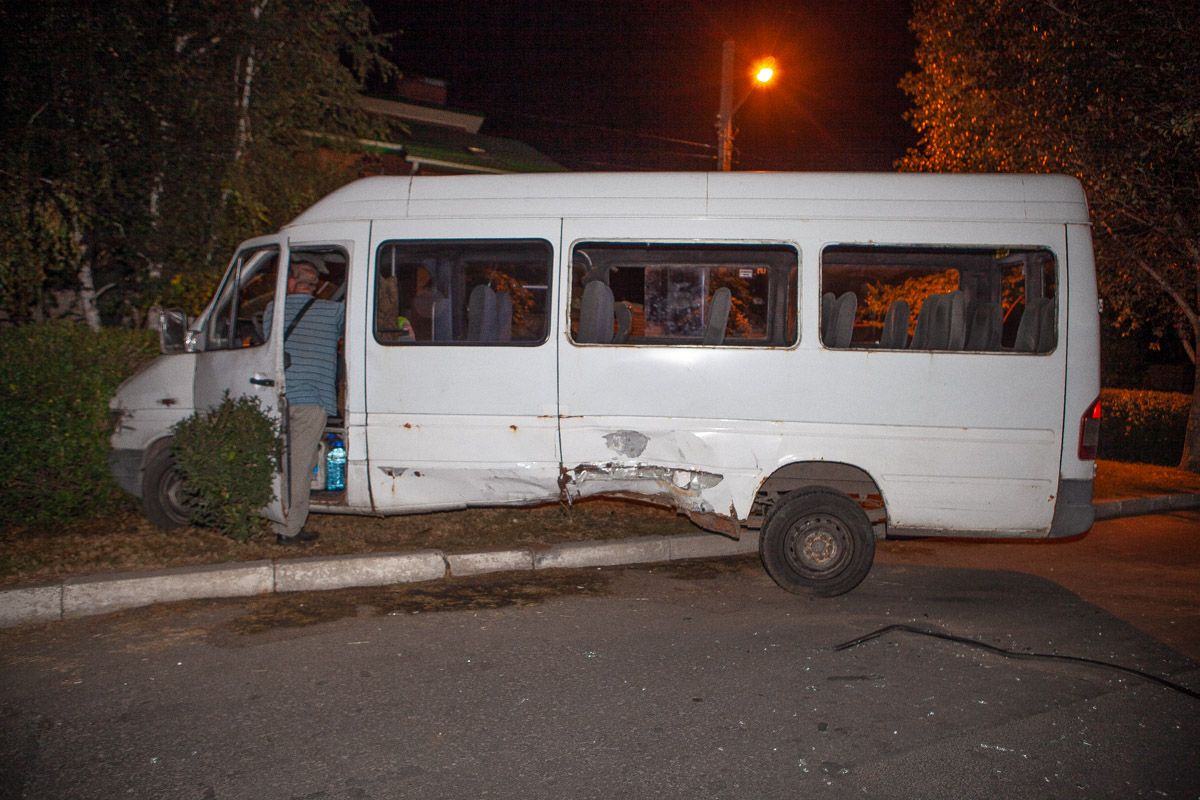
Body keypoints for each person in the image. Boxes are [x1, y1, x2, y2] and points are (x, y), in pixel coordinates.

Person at [263, 261, 344, 544]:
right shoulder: (333, 312)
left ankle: (285, 520)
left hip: (280, 399)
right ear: (315, 285)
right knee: (299, 466)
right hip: (313, 400)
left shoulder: (273, 311)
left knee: (288, 463)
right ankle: (288, 529)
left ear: (291, 283)